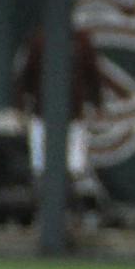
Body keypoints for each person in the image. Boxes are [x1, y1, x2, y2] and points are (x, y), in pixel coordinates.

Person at [11, 25, 109, 206]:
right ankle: (41, 211)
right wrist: (20, 108)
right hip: (42, 114)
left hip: (74, 115)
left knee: (75, 169)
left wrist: (97, 104)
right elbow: (25, 75)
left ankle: (73, 214)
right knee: (41, 168)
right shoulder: (40, 40)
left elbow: (93, 74)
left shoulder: (82, 40)